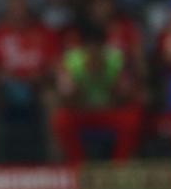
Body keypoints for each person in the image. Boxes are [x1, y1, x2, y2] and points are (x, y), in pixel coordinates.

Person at [0, 0, 60, 161]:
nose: (18, 9)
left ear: (28, 6)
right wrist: (2, 78)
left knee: (53, 99)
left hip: (37, 87)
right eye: (13, 5)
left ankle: (56, 161)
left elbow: (56, 67)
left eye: (21, 5)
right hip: (4, 89)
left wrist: (40, 77)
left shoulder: (44, 32)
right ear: (6, 7)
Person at [52, 22, 143, 165]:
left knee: (132, 118)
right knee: (61, 120)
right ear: (83, 49)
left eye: (97, 48)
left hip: (109, 110)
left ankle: (119, 165)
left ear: (103, 47)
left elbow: (126, 96)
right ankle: (78, 165)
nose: (93, 52)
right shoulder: (70, 61)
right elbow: (66, 99)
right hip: (82, 111)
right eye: (89, 48)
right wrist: (81, 78)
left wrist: (108, 79)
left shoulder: (116, 59)